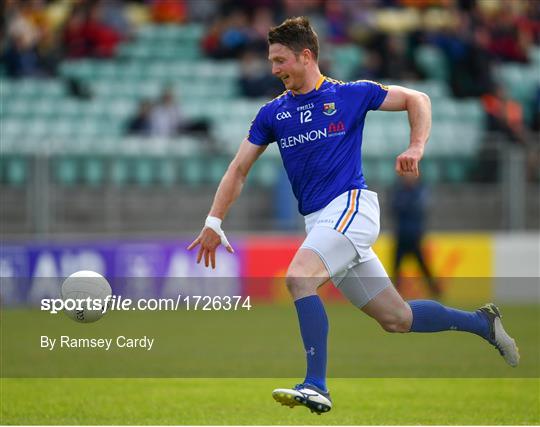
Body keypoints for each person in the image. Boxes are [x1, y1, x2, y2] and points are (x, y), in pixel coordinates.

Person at [188, 17, 519, 415]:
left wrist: (416, 146)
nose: (273, 70)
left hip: (351, 208)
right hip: (321, 222)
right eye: (271, 61)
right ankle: (482, 324)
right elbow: (238, 169)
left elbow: (419, 100)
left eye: (279, 60)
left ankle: (316, 384)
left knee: (298, 277)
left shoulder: (350, 94)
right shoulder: (272, 113)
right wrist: (213, 221)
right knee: (398, 318)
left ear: (306, 56)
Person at [392, 175, 440, 298]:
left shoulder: (418, 191)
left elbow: (415, 209)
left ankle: (434, 290)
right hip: (401, 235)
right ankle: (394, 294)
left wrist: (405, 205)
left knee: (423, 266)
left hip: (414, 237)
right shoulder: (401, 191)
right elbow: (395, 208)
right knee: (396, 267)